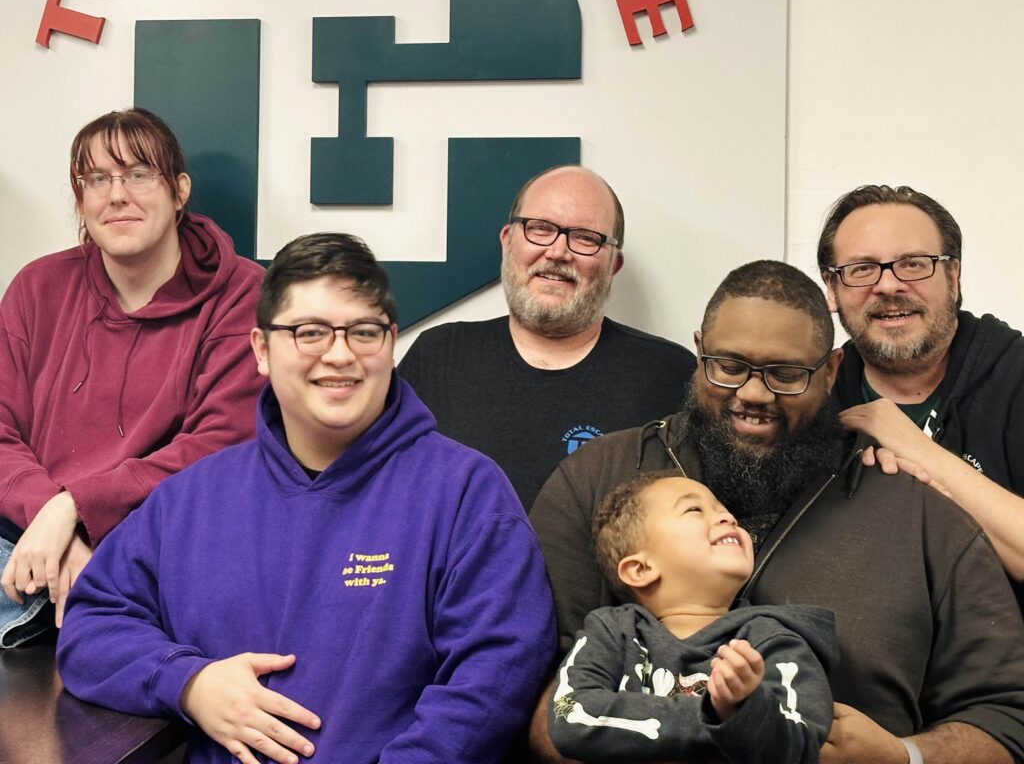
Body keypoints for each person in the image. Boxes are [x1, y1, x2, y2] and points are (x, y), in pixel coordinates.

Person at [57, 232, 556, 764]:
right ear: (261, 351)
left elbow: (492, 679)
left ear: (390, 342)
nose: (339, 355)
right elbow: (92, 627)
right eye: (309, 332)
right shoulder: (190, 501)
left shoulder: (466, 495)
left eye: (363, 331)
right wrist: (188, 682)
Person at [530, 260, 1024, 764]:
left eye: (787, 374)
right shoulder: (596, 477)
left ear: (831, 371)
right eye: (729, 365)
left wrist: (905, 756)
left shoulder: (919, 511)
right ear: (699, 350)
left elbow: (1007, 716)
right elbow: (531, 686)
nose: (753, 394)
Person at [0, 108, 262, 644]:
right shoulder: (36, 287)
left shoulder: (244, 293)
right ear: (81, 200)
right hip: (26, 537)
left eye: (138, 174)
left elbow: (220, 447)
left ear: (179, 190)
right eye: (96, 179)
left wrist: (73, 506)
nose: (116, 195)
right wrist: (51, 521)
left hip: (157, 546)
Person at [400, 165, 695, 507]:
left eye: (586, 237)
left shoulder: (668, 374)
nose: (557, 252)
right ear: (507, 242)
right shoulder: (438, 357)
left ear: (613, 265)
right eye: (540, 229)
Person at [817, 184, 1024, 608]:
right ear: (832, 289)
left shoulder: (1016, 376)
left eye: (914, 264)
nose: (889, 285)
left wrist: (914, 447)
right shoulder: (813, 398)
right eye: (861, 269)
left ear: (953, 275)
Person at [549, 472, 836, 764]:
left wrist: (743, 707)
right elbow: (570, 715)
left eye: (725, 510)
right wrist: (720, 717)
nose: (728, 518)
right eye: (694, 509)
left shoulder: (776, 639)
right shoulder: (612, 632)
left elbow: (799, 749)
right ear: (640, 569)